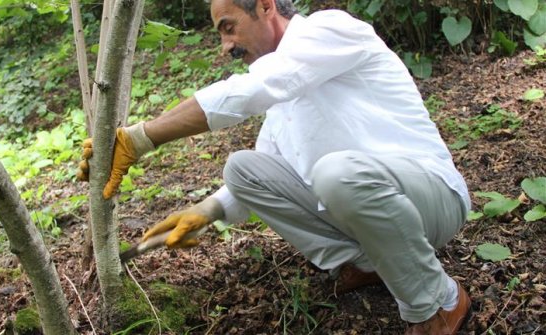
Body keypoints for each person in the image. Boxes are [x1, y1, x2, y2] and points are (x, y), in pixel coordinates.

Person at [78, 0, 472, 333]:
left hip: (432, 198)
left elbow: (251, 89)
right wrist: (204, 213)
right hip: (378, 210)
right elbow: (259, 176)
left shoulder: (328, 29)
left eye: (228, 27)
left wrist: (142, 137)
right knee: (242, 168)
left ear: (266, 6)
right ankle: (371, 262)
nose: (225, 45)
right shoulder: (282, 97)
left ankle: (438, 302)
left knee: (337, 174)